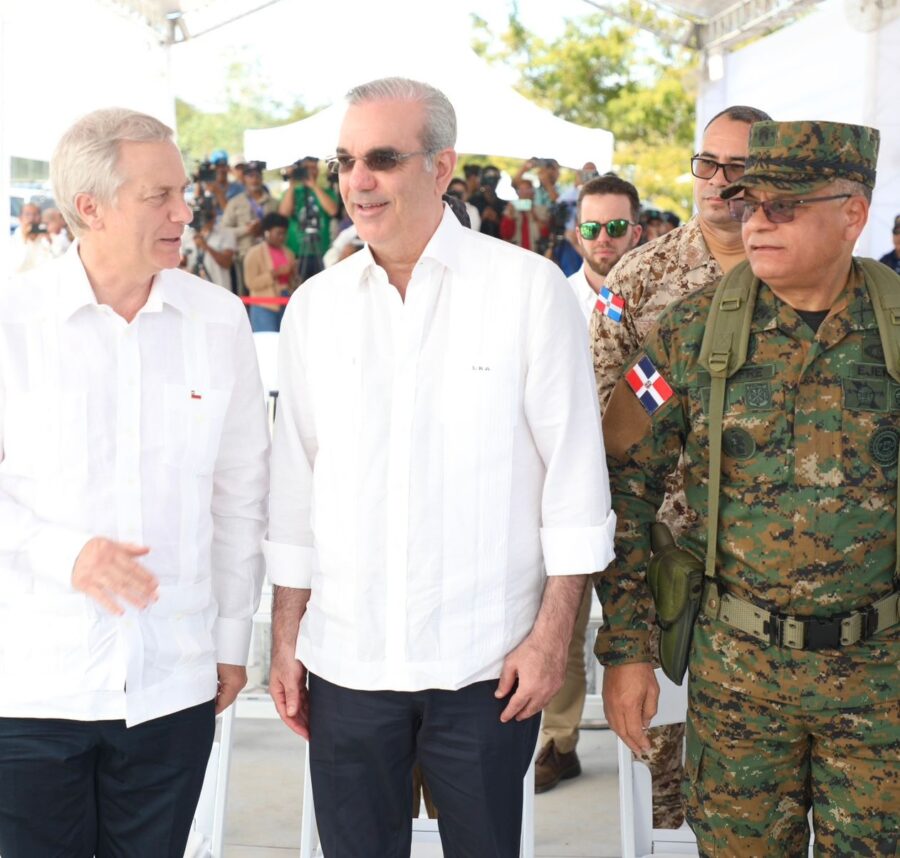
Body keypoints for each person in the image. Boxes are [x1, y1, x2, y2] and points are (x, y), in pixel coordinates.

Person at [265, 76, 615, 858]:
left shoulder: (525, 290)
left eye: (383, 158)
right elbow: (295, 484)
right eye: (346, 160)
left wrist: (553, 638)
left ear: (442, 166)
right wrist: (286, 636)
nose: (358, 181)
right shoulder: (315, 307)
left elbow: (576, 484)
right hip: (348, 661)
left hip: (488, 665)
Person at [599, 119, 899, 856]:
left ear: (853, 213)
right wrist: (629, 649)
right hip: (739, 678)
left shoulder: (893, 327)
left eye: (783, 207)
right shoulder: (684, 334)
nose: (754, 220)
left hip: (881, 676)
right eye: (749, 201)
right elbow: (620, 476)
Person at [0, 108, 270, 857]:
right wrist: (66, 553)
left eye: (183, 192)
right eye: (161, 196)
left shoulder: (218, 322)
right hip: (28, 688)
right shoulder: (10, 321)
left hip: (172, 683)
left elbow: (241, 494)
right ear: (92, 206)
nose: (186, 211)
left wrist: (227, 640)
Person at [591, 104, 771, 828]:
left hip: (771, 570)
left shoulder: (799, 272)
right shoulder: (641, 276)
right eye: (708, 164)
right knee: (668, 785)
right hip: (668, 565)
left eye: (740, 168)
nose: (719, 183)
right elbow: (607, 426)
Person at [531, 174, 642, 794]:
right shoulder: (551, 299)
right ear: (578, 234)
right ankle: (558, 740)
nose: (605, 240)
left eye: (617, 227)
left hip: (641, 491)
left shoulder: (658, 303)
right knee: (562, 625)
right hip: (567, 492)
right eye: (593, 229)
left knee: (649, 624)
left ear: (638, 228)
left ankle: (663, 748)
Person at [278, 156, 339, 282]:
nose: (310, 171)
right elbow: (283, 214)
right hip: (297, 252)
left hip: (321, 250)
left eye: (313, 168)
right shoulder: (291, 192)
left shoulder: (326, 192)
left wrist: (313, 186)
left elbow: (333, 210)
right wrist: (292, 183)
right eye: (306, 168)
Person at [221, 159, 278, 291]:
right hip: (244, 255)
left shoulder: (273, 202)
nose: (254, 180)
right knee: (245, 293)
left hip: (269, 255)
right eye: (250, 176)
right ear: (244, 179)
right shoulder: (235, 202)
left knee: (268, 290)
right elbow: (224, 230)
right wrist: (246, 230)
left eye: (257, 176)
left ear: (262, 178)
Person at [242, 211, 299, 332]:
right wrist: (275, 273)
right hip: (263, 304)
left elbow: (294, 283)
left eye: (284, 233)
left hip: (286, 302)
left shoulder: (289, 253)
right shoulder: (254, 253)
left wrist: (293, 273)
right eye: (278, 233)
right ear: (267, 232)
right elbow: (250, 283)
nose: (282, 237)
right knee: (266, 344)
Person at [181, 196, 236, 291]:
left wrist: (205, 246)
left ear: (214, 214)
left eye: (207, 216)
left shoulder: (226, 233)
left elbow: (227, 263)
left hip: (220, 291)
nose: (204, 220)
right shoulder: (186, 235)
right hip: (194, 291)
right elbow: (182, 263)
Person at [500, 177, 548, 252]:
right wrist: (510, 216)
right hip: (515, 252)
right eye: (521, 190)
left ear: (533, 193)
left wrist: (532, 213)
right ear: (518, 193)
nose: (524, 193)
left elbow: (545, 234)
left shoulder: (541, 210)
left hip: (535, 252)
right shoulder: (511, 209)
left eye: (527, 189)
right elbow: (506, 235)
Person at [9, 201, 54, 273]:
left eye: (35, 214)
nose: (31, 218)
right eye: (27, 214)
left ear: (40, 218)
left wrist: (50, 243)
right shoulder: (11, 241)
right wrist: (25, 240)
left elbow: (53, 266)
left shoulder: (47, 239)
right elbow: (13, 269)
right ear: (20, 218)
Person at [469, 163, 506, 238]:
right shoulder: (472, 201)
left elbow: (507, 232)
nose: (491, 183)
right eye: (488, 179)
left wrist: (496, 220)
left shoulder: (503, 204)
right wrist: (482, 218)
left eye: (494, 179)